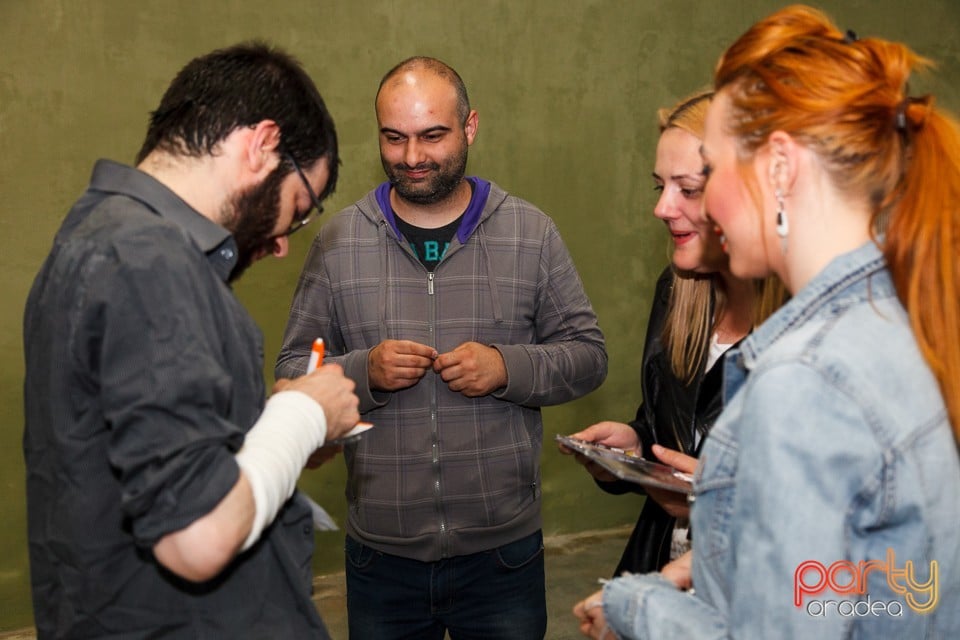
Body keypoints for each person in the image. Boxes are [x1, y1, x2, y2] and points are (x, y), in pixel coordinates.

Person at [573, 5, 960, 638]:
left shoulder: (805, 382)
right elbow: (876, 590)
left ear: (779, 168)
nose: (698, 202)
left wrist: (634, 606)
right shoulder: (895, 319)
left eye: (715, 171)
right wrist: (727, 558)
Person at [23, 42, 362, 639]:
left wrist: (268, 430)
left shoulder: (98, 236)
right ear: (261, 146)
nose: (284, 240)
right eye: (300, 205)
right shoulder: (149, 261)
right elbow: (198, 536)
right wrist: (305, 412)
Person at [276, 56, 608, 639]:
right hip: (382, 559)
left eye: (433, 135)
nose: (412, 157)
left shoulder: (530, 234)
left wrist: (508, 367)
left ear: (470, 127)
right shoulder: (338, 242)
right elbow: (292, 371)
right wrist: (364, 372)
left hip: (503, 556)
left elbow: (587, 355)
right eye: (394, 137)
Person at [561, 90, 780, 577]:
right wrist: (636, 448)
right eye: (659, 186)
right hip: (669, 572)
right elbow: (675, 433)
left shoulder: (810, 331)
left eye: (688, 188)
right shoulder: (677, 294)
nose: (662, 208)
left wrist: (725, 496)